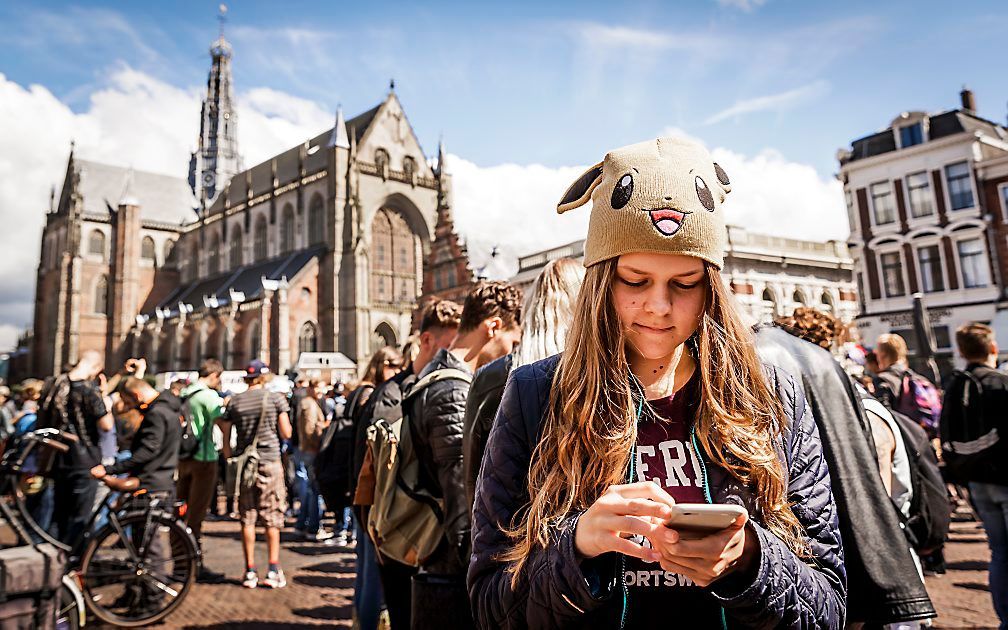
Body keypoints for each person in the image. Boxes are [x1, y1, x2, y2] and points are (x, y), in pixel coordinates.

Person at [469, 137, 846, 628]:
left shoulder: (772, 394)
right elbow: (490, 606)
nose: (659, 306)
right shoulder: (534, 394)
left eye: (685, 284)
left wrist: (750, 561)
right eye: (635, 279)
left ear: (711, 286)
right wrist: (579, 547)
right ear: (602, 280)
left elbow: (830, 605)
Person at [763, 308, 935, 627]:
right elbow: (863, 471)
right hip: (854, 542)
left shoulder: (754, 355)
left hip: (795, 547)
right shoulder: (826, 364)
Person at [411, 281, 522, 629]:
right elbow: (460, 493)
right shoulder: (453, 391)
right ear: (493, 327)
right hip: (449, 563)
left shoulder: (433, 374)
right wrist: (475, 571)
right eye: (511, 343)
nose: (510, 353)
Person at [354, 299, 462, 630]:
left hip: (425, 539)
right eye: (450, 349)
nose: (455, 360)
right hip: (401, 540)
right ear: (426, 341)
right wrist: (375, 531)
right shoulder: (391, 395)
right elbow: (370, 472)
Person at [463, 257, 583, 513]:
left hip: (507, 530)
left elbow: (472, 475)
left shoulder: (491, 376)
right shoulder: (594, 373)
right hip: (582, 532)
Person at [942, 322, 1008, 627]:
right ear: (992, 348)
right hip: (1005, 477)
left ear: (961, 351)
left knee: (998, 552)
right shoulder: (1000, 382)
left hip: (976, 481)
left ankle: (1005, 617)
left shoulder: (955, 384)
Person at [342, 346, 401, 630]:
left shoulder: (363, 394)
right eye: (392, 364)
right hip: (369, 494)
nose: (398, 370)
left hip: (360, 491)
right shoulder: (377, 396)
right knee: (372, 575)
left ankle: (358, 620)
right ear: (380, 365)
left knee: (364, 569)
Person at [220, 360, 292, 589]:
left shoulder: (235, 401)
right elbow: (286, 432)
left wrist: (230, 455)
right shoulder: (275, 399)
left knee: (247, 517)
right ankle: (273, 568)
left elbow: (225, 435)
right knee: (272, 517)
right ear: (264, 377)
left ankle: (249, 570)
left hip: (244, 464)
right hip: (269, 461)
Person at [41, 350, 114, 546]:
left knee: (59, 516)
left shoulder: (54, 384)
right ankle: (73, 566)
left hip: (57, 458)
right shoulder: (89, 390)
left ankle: (54, 563)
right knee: (80, 519)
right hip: (85, 460)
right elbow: (107, 425)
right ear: (97, 367)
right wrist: (104, 396)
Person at [178, 358, 227, 582]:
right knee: (196, 516)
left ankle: (179, 561)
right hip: (204, 459)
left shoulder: (185, 392)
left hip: (184, 458)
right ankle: (194, 566)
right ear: (215, 376)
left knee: (179, 512)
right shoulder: (209, 396)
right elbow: (222, 423)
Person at [294, 378, 331, 541]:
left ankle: (303, 523)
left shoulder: (308, 402)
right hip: (311, 450)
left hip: (307, 449)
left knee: (310, 488)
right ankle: (313, 526)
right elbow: (310, 428)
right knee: (313, 489)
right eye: (319, 389)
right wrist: (324, 427)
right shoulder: (309, 404)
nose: (321, 393)